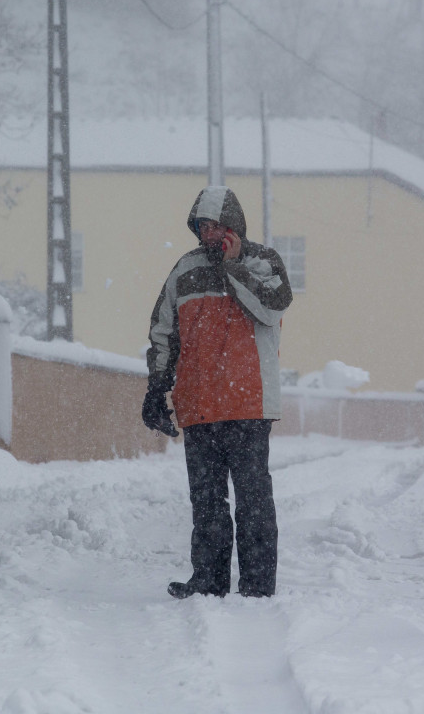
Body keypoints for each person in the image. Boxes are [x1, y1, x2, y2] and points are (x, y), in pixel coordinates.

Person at [143, 186, 292, 599]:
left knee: (253, 501)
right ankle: (208, 581)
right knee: (207, 501)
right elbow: (163, 332)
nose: (209, 234)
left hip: (249, 403)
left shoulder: (263, 262)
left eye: (216, 226)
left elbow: (271, 308)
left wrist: (233, 267)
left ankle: (258, 586)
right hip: (199, 405)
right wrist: (156, 388)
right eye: (203, 226)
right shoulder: (184, 269)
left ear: (234, 226)